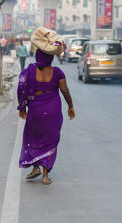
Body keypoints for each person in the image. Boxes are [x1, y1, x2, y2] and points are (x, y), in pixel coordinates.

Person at [17, 48, 75, 185]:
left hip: (35, 111)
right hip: (53, 110)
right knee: (50, 140)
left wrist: (22, 108)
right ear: (51, 58)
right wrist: (71, 106)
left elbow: (21, 88)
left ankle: (35, 167)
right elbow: (65, 91)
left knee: (33, 137)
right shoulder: (58, 72)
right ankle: (45, 175)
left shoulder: (29, 72)